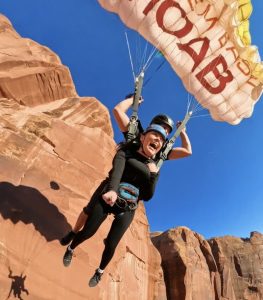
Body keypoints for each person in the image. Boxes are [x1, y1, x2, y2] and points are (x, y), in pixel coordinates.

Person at [60, 96, 192, 245]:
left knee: (116, 233)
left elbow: (187, 151)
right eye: (161, 127)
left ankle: (109, 241)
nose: (163, 132)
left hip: (131, 194)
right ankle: (74, 232)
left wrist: (183, 132)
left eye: (167, 131)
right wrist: (133, 100)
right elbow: (117, 111)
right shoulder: (137, 134)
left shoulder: (161, 151)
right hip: (114, 182)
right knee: (88, 211)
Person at [62, 124, 168, 287]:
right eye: (154, 134)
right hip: (110, 197)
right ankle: (71, 248)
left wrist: (153, 174)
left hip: (128, 207)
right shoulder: (126, 152)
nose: (158, 140)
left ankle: (100, 272)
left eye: (161, 139)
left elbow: (147, 196)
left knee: (111, 243)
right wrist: (111, 190)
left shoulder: (154, 167)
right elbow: (117, 172)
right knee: (88, 231)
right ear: (142, 137)